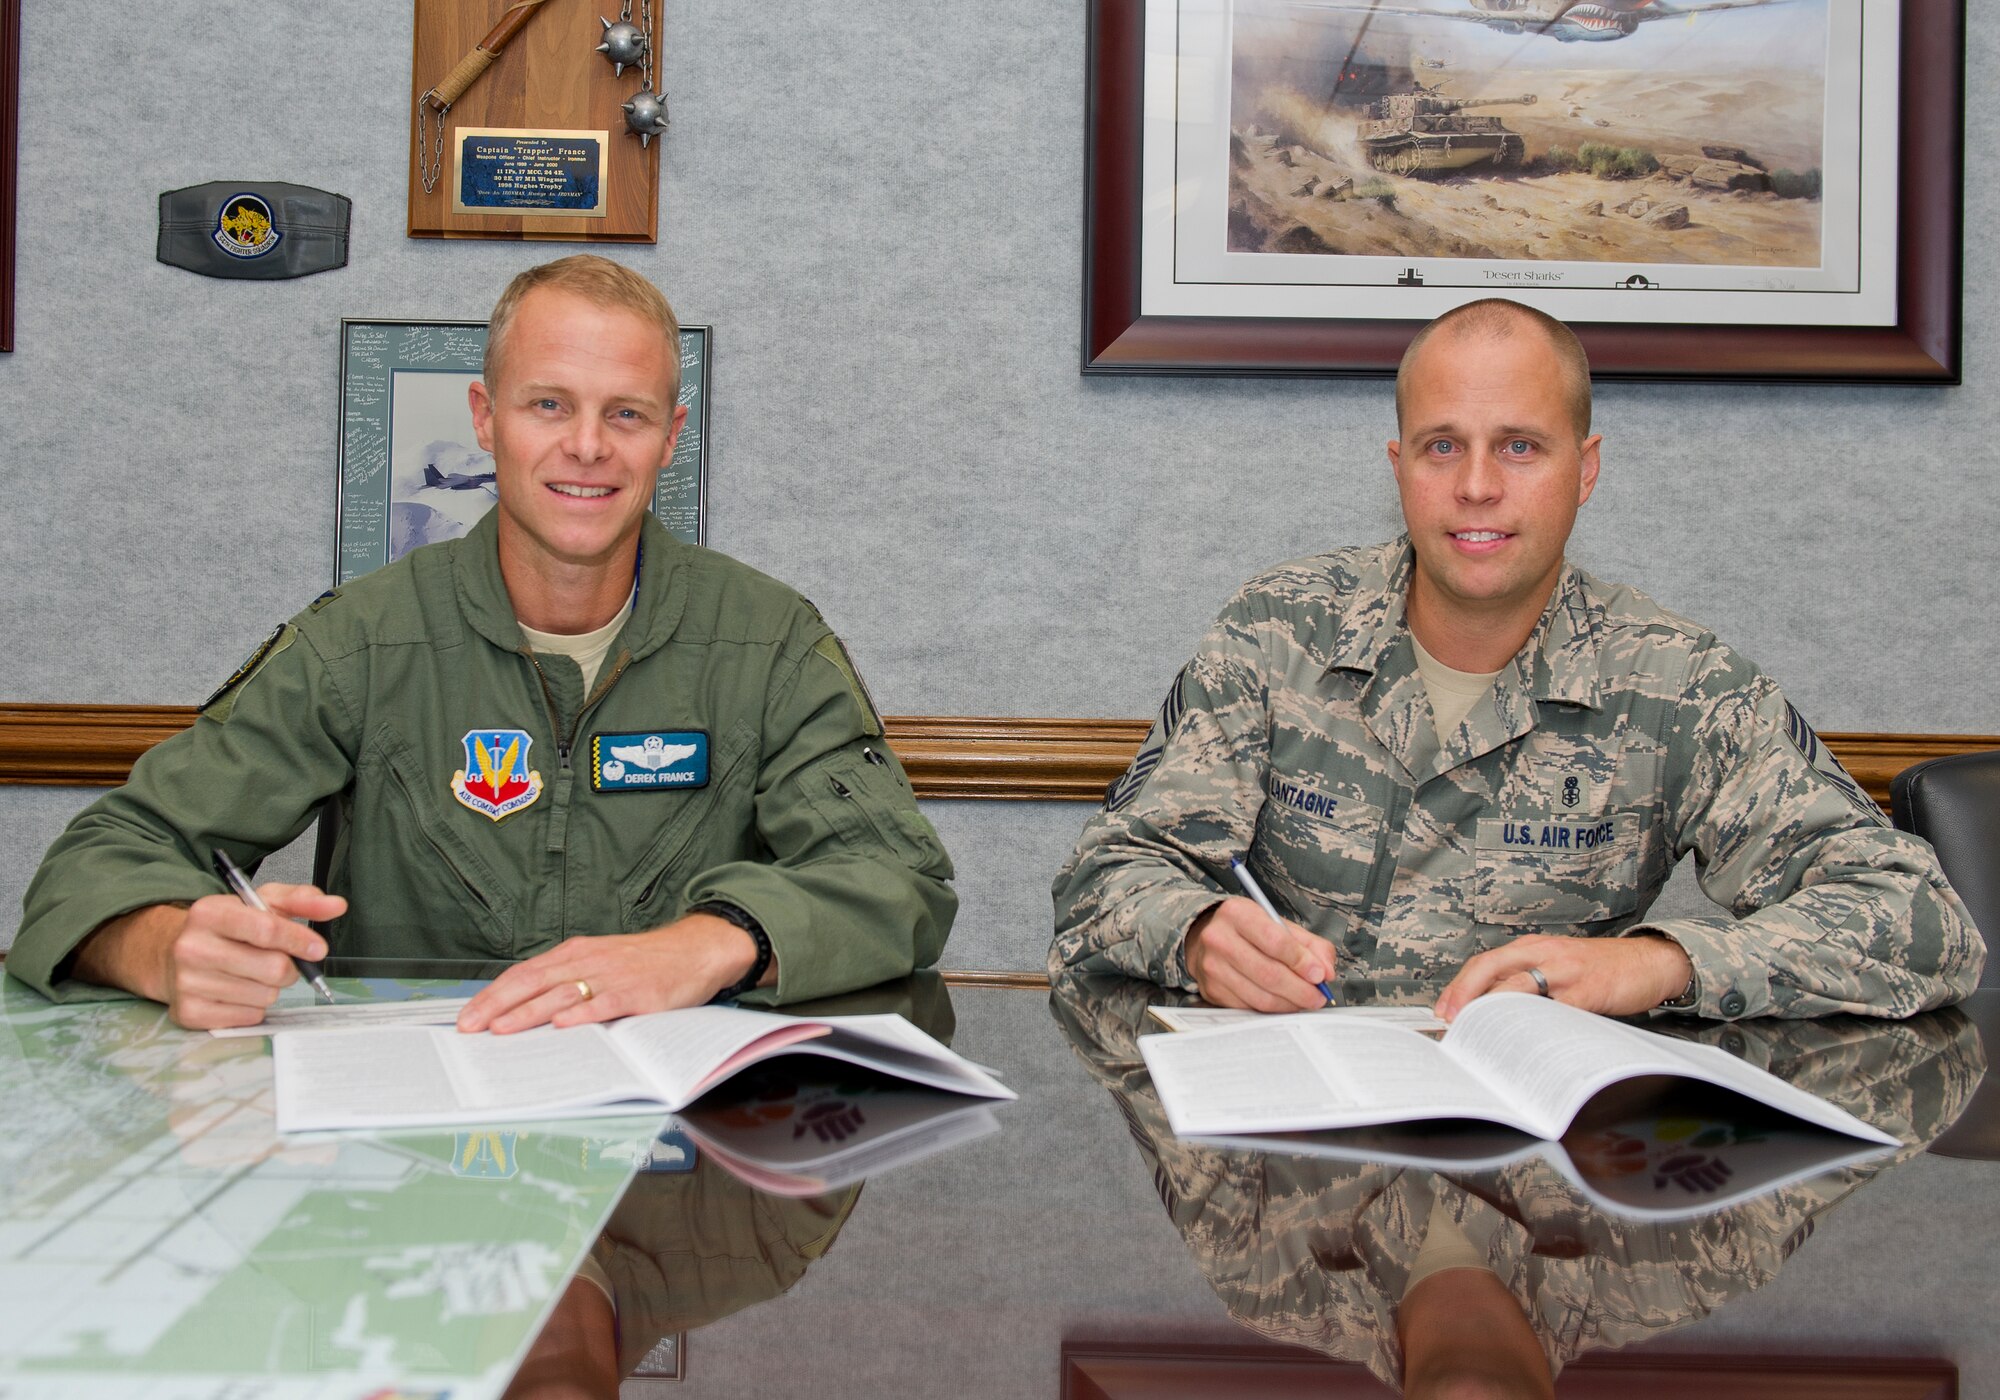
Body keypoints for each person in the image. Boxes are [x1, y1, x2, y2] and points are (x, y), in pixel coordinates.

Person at [10, 255, 956, 1030]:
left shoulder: (768, 644)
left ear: (671, 439)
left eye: (624, 413)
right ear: (483, 418)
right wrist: (167, 947)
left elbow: (898, 882)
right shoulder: (363, 643)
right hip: (408, 1153)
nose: (587, 446)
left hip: (673, 1171)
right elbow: (104, 856)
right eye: (548, 404)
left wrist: (707, 942)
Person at [1051, 298, 1981, 1020]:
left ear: (1586, 467)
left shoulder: (1677, 683)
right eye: (1442, 446)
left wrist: (1654, 965)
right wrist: (1197, 931)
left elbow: (1921, 922)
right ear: (1398, 466)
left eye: (1521, 447)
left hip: (1545, 1197)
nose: (1477, 487)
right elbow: (1105, 875)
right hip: (1293, 1188)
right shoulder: (1277, 631)